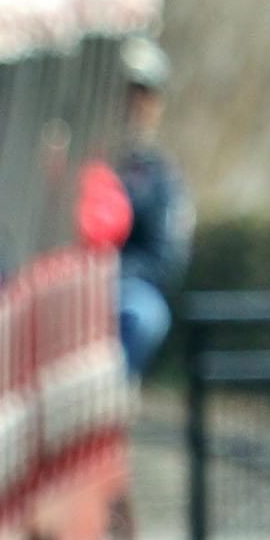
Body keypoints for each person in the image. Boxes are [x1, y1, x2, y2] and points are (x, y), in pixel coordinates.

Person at [112, 38, 193, 374]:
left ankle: (112, 403)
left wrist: (109, 276)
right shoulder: (78, 157)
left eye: (144, 94)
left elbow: (164, 258)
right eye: (128, 92)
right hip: (63, 284)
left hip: (122, 288)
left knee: (144, 316)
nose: (135, 104)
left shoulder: (159, 177)